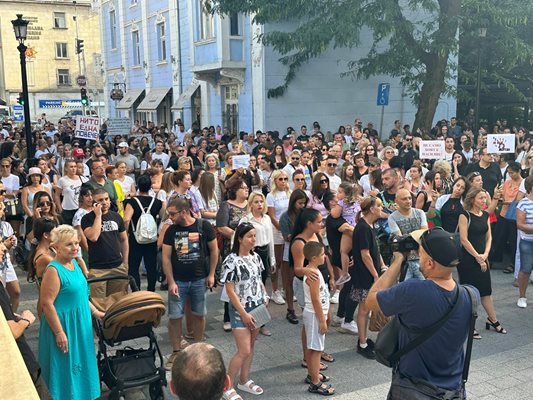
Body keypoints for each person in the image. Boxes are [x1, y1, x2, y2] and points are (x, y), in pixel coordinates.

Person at [366, 228, 479, 399]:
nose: (418, 256)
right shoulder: (471, 295)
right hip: (453, 390)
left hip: (414, 389)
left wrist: (397, 261)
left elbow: (371, 300)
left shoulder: (413, 291)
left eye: (420, 253)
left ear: (430, 263)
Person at [38, 225, 103, 400]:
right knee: (65, 368)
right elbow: (47, 304)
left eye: (76, 243)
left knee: (81, 364)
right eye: (69, 244)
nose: (75, 247)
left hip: (80, 324)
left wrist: (97, 312)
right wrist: (59, 332)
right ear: (56, 247)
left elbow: (82, 297)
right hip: (63, 326)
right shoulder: (53, 270)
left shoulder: (74, 263)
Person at [162, 198, 218, 370]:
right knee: (174, 316)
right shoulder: (171, 230)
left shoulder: (203, 226)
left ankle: (199, 348)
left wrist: (211, 274)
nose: (170, 217)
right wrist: (170, 281)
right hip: (178, 280)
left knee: (199, 314)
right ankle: (177, 350)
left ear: (184, 212)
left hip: (199, 278)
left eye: (172, 214)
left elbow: (214, 250)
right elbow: (165, 257)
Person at [221, 223, 268, 400]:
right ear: (240, 238)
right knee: (244, 350)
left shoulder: (256, 257)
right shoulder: (231, 260)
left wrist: (264, 294)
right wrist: (243, 313)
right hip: (241, 309)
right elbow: (230, 290)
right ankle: (227, 386)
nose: (253, 239)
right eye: (249, 236)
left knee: (252, 345)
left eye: (254, 236)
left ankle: (244, 380)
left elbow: (259, 280)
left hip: (257, 305)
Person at [458, 188, 506, 338]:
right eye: (481, 198)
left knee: (486, 291)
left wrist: (485, 255)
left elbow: (489, 237)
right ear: (472, 199)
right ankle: (469, 324)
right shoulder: (464, 215)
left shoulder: (485, 215)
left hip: (483, 257)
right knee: (470, 293)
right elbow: (463, 240)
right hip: (467, 259)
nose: (484, 201)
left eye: (485, 198)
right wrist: (477, 257)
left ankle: (493, 319)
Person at [351, 196, 385, 359]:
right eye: (379, 206)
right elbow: (365, 254)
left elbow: (374, 250)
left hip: (369, 273)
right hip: (364, 275)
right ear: (371, 209)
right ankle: (362, 342)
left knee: (366, 309)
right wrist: (375, 274)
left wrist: (382, 265)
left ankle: (363, 339)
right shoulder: (363, 227)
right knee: (364, 309)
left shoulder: (369, 225)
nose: (381, 208)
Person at [81, 188, 129, 298]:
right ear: (94, 203)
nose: (104, 202)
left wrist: (125, 262)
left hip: (117, 266)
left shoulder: (116, 216)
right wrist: (98, 216)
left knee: (118, 301)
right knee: (99, 303)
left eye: (106, 199)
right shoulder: (87, 219)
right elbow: (93, 237)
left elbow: (124, 239)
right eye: (100, 200)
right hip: (98, 268)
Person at [239, 192, 276, 336]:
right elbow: (239, 239)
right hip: (253, 253)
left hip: (265, 252)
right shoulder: (246, 220)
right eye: (256, 202)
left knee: (262, 287)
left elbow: (271, 239)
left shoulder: (266, 218)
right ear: (251, 204)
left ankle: (261, 322)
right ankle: (248, 318)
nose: (259, 204)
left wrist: (272, 259)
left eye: (261, 201)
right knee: (251, 287)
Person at [302, 241, 335, 396]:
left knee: (313, 347)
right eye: (322, 254)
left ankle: (312, 374)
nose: (325, 256)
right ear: (314, 258)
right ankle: (315, 383)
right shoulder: (313, 274)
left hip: (315, 314)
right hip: (315, 314)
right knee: (316, 349)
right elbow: (315, 299)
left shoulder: (313, 270)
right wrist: (322, 320)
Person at [123, 174, 163, 291]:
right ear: (150, 187)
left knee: (134, 266)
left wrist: (125, 233)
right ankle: (151, 291)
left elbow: (126, 219)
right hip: (151, 238)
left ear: (138, 186)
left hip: (135, 238)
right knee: (151, 266)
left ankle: (137, 291)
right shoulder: (157, 202)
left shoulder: (132, 202)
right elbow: (163, 217)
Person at [388, 189, 428, 280]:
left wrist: (408, 237)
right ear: (396, 201)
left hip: (421, 258)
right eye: (404, 199)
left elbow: (425, 233)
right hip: (403, 260)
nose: (408, 201)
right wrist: (417, 236)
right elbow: (400, 240)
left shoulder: (420, 212)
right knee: (403, 289)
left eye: (409, 198)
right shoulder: (392, 217)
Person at [266, 170, 291, 309]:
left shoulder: (290, 193)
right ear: (275, 180)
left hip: (288, 231)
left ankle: (284, 288)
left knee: (286, 261)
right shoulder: (271, 196)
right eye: (280, 179)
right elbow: (272, 216)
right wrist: (283, 229)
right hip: (277, 231)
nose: (283, 181)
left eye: (285, 179)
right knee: (277, 261)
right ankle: (275, 290)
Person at [516, 175, 533, 308]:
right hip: (528, 242)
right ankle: (522, 296)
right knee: (526, 269)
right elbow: (520, 224)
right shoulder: (523, 203)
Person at [55, 159, 87, 225]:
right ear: (66, 168)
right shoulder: (62, 180)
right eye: (71, 167)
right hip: (67, 210)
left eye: (75, 166)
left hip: (80, 208)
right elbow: (57, 195)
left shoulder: (83, 179)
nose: (73, 169)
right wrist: (60, 209)